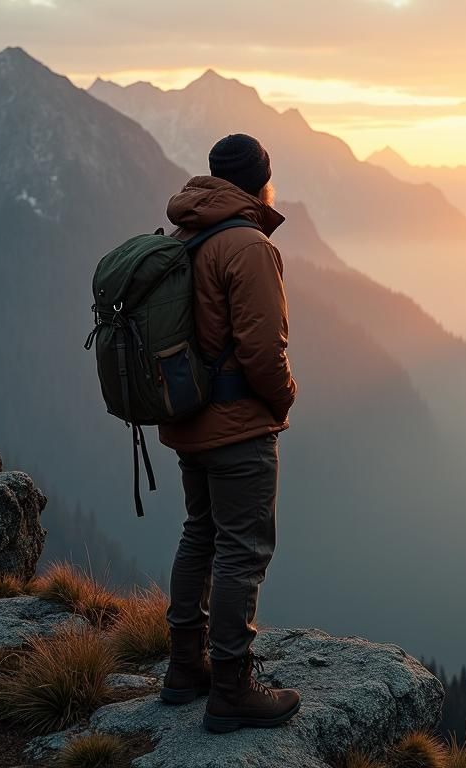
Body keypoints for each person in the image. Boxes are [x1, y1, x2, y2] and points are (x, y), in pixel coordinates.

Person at [156, 134, 301, 733]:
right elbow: (264, 350)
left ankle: (186, 667)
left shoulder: (185, 235)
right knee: (243, 549)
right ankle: (233, 688)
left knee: (200, 535)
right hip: (239, 426)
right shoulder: (248, 245)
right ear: (261, 180)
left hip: (188, 417)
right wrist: (285, 396)